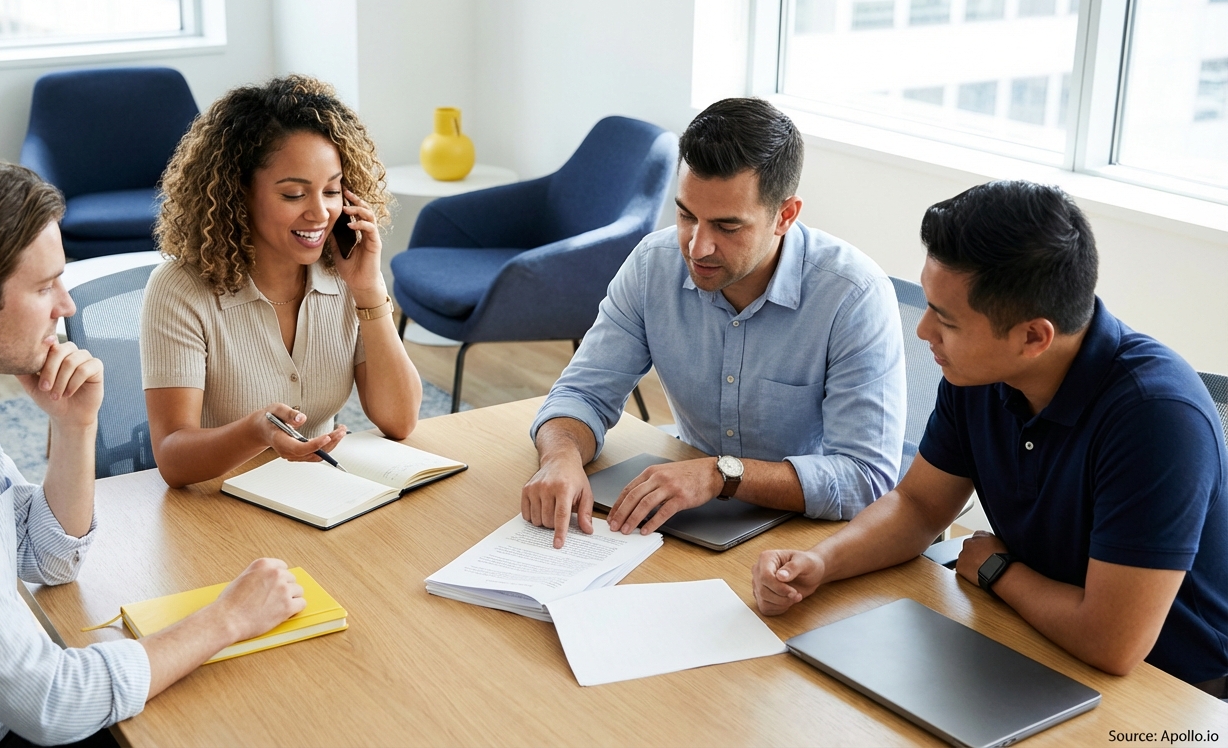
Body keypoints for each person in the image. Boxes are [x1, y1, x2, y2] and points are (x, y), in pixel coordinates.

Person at [0, 156, 308, 746]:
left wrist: (74, 427)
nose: (66, 306)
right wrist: (228, 618)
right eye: (44, 288)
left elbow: (45, 556)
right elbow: (52, 703)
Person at [752, 180, 1228, 692]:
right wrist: (822, 562)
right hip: (1031, 635)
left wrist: (999, 570)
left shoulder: (1157, 418)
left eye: (946, 321)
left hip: (1171, 689)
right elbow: (918, 506)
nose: (924, 332)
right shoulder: (980, 374)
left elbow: (1112, 642)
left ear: (1033, 337)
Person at [522, 97, 906, 548]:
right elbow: (581, 393)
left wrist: (721, 474)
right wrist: (561, 456)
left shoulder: (853, 295)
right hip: (694, 517)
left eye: (727, 227)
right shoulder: (653, 264)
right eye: (686, 215)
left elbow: (865, 478)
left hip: (810, 537)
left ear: (785, 215)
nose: (697, 247)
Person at [142, 75, 422, 488]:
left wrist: (368, 290)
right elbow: (173, 459)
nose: (320, 214)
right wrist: (257, 431)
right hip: (217, 507)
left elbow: (399, 421)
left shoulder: (345, 274)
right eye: (294, 195)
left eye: (331, 191)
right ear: (240, 193)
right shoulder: (180, 290)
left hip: (319, 496)